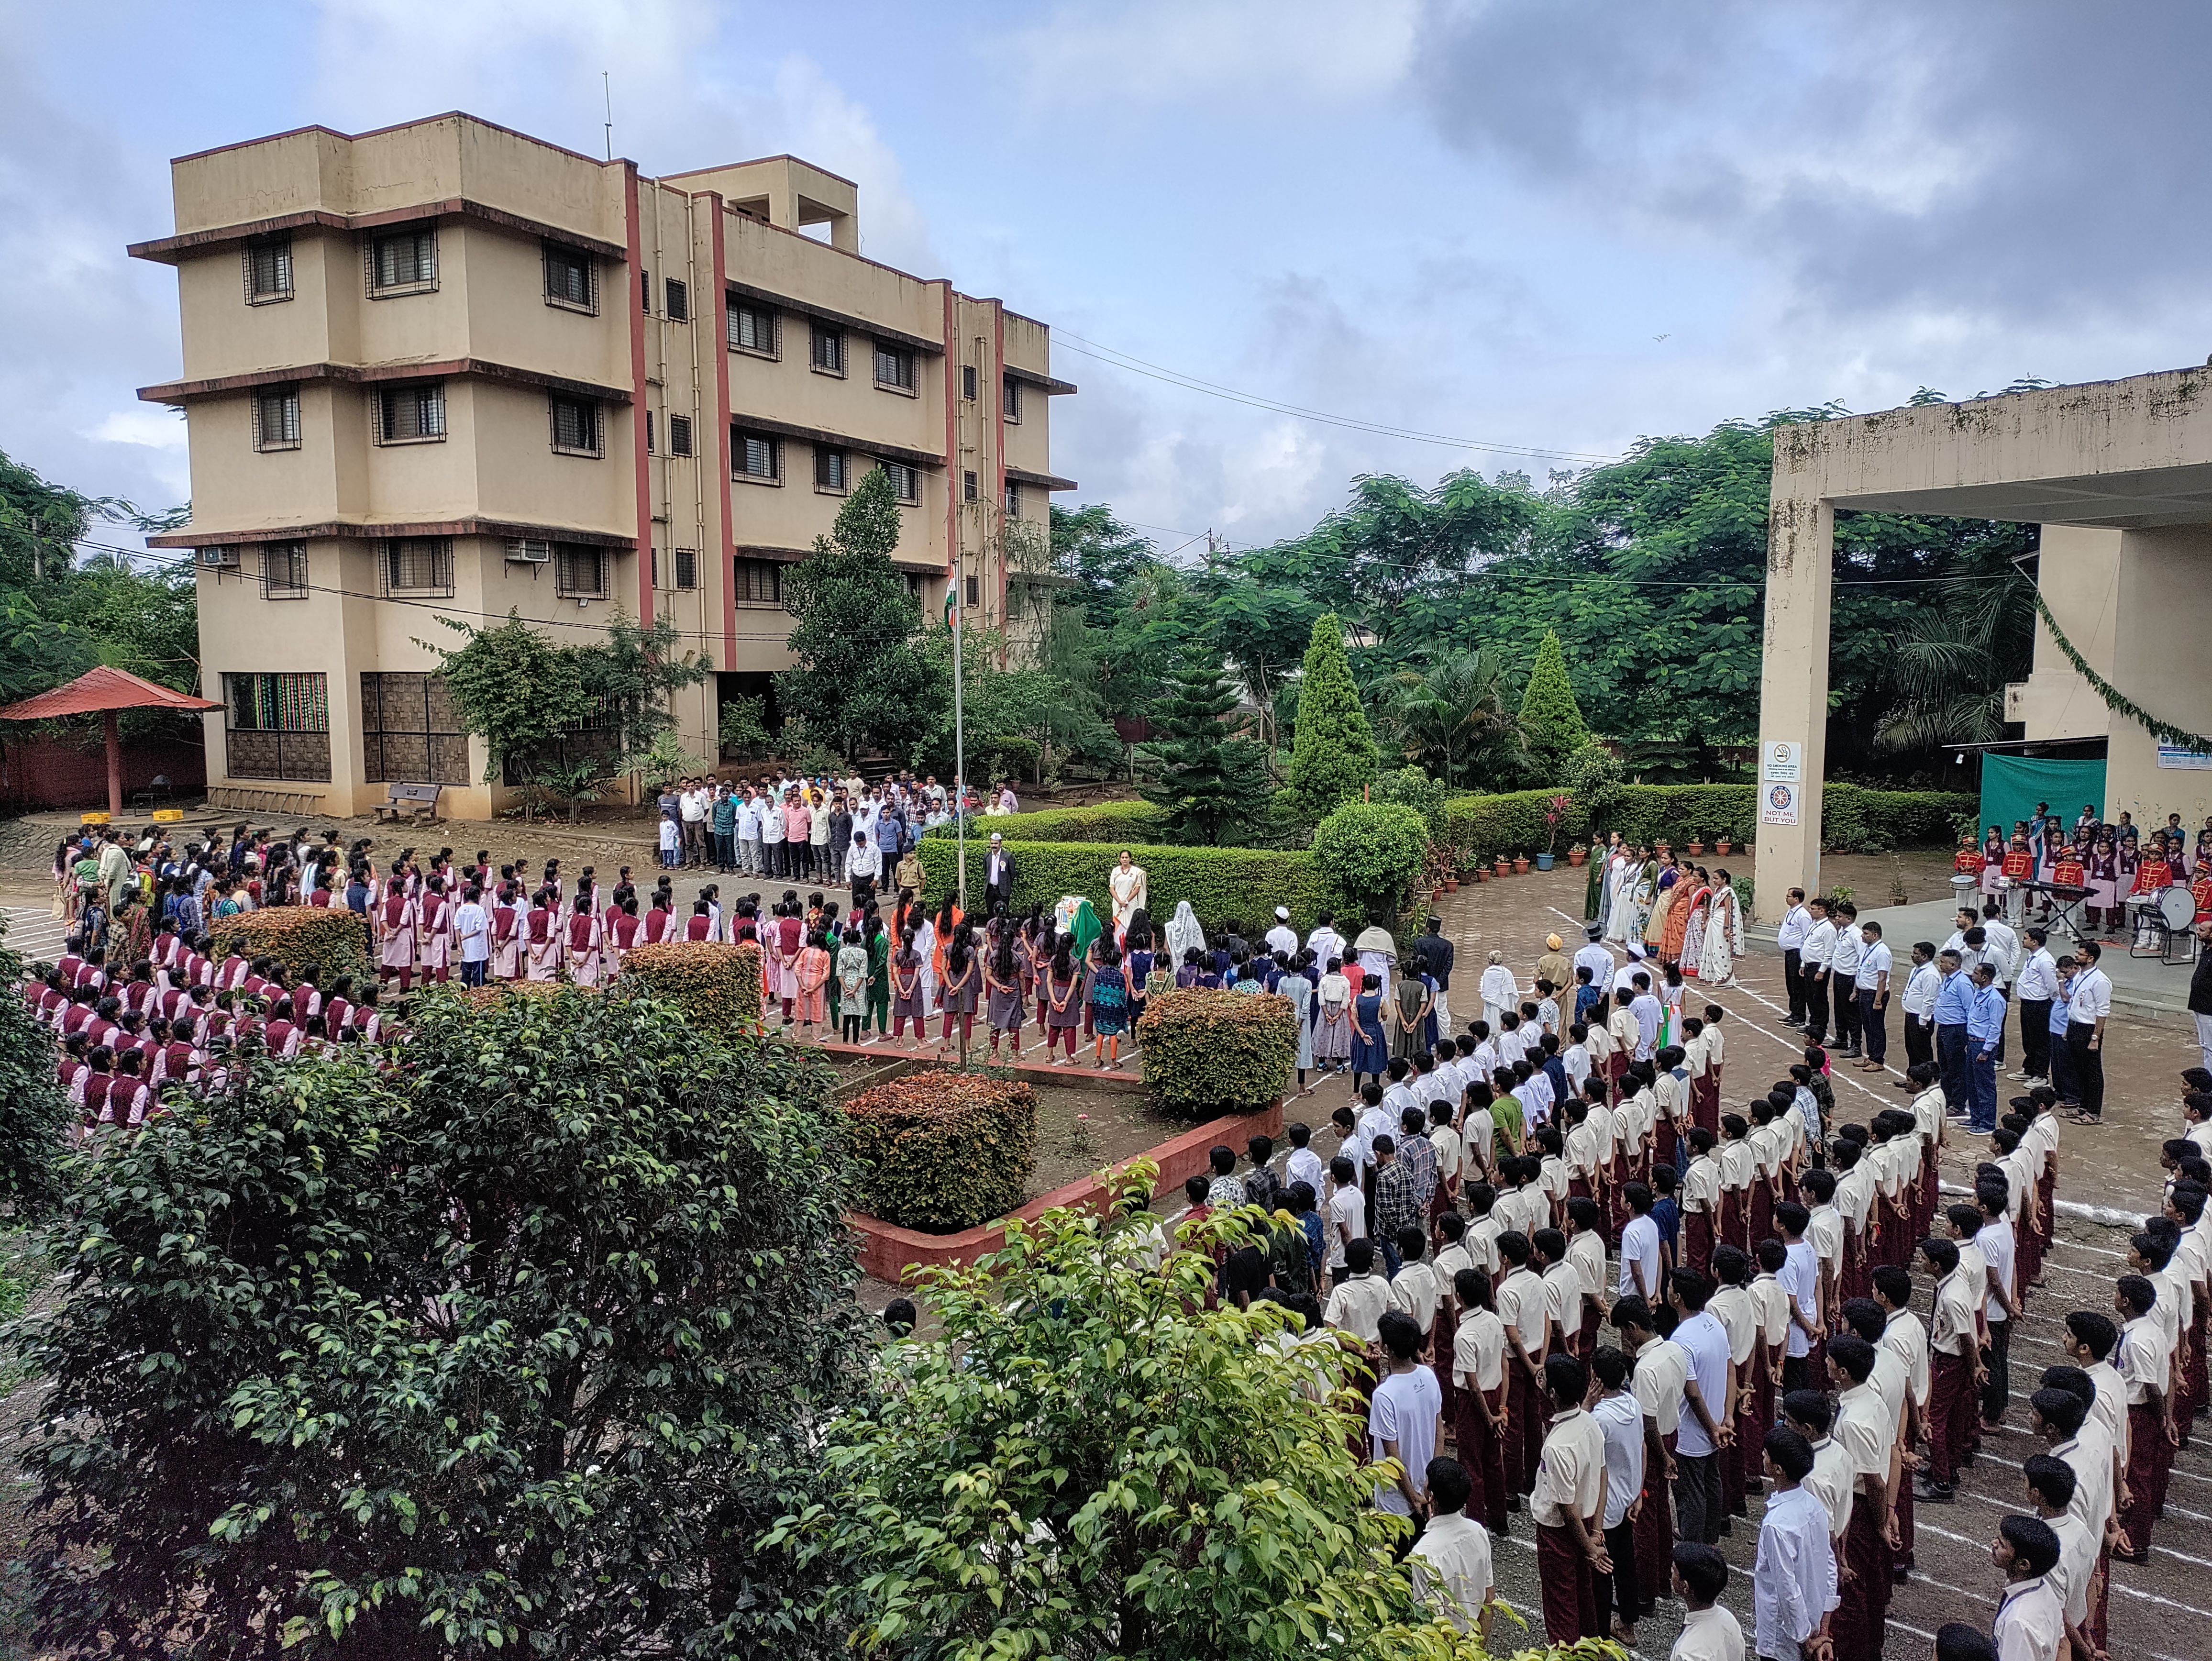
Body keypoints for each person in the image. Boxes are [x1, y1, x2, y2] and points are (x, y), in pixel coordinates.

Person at [1530, 1351, 1607, 1645]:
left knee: (1560, 1603)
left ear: (1552, 1393)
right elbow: (1603, 1476)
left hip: (1559, 1532)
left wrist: (1589, 1547)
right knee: (1583, 1594)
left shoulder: (1557, 1447)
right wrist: (1596, 1534)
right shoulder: (1589, 1423)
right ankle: (1591, 1647)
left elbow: (1566, 1510)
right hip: (1588, 1523)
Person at [1751, 1425, 1836, 1661]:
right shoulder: (1813, 1506)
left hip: (1783, 1638)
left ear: (1777, 1469)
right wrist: (1822, 1628)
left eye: (1766, 1454)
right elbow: (1830, 1565)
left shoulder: (1776, 1524)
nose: (1762, 1456)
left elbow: (1786, 1588)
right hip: (1813, 1622)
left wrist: (1805, 1639)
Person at [1589, 1344, 1644, 1648]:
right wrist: (1638, 1493)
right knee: (1625, 1564)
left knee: (1602, 1574)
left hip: (1604, 1507)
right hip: (1627, 1499)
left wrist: (1586, 1404)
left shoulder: (1600, 1419)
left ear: (1595, 1377)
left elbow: (1583, 1447)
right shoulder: (1633, 1405)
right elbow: (1643, 1447)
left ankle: (1600, 1637)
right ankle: (1628, 1623)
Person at [1408, 1455, 1494, 1641]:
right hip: (1474, 1638)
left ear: (1431, 1496)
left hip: (1447, 1646)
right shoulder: (1478, 1532)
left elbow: (1433, 1624)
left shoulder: (1423, 1554)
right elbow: (1489, 1598)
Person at [1368, 1309, 1443, 1519]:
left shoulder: (1384, 1395)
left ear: (1387, 1349)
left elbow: (1392, 1455)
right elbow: (1440, 1433)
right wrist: (1430, 1483)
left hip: (1396, 1499)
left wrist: (1412, 1497)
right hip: (1427, 1488)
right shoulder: (1428, 1375)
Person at [1989, 1513, 2064, 1661]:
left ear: (2023, 1564)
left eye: (2002, 1545)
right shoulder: (2044, 1588)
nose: (1994, 1544)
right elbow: (2064, 1642)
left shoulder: (2019, 1624)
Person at [1670, 1542, 1744, 1661]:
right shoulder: (1728, 1619)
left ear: (1686, 1586)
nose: (1671, 1573)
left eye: (1674, 1570)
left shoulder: (1688, 1654)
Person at [2063, 941, 2111, 1125]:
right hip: (2075, 1026)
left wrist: (2095, 1038)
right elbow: (2075, 1004)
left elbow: (2102, 1012)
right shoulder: (2080, 976)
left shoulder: (2100, 981)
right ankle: (2083, 1105)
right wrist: (2069, 1028)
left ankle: (2094, 1112)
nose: (2077, 956)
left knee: (2092, 1071)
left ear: (2090, 958)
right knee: (2079, 1069)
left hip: (2088, 1030)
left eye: (2080, 954)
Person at [1108, 849, 1146, 941]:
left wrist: (1127, 901)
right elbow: (1112, 888)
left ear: (1130, 859)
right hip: (1118, 903)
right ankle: (1117, 946)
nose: (1125, 859)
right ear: (1120, 859)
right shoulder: (1115, 871)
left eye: (1127, 857)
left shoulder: (1136, 872)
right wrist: (1120, 902)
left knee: (1131, 924)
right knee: (1117, 924)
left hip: (1131, 903)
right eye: (1123, 858)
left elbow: (1137, 889)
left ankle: (1130, 945)